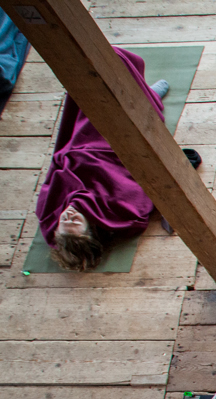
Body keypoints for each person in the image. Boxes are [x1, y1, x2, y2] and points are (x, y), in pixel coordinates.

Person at [34, 47, 169, 271]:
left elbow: (53, 179)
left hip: (80, 147)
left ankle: (143, 93)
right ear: (90, 228)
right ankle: (149, 96)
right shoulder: (117, 216)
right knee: (116, 99)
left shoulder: (49, 215)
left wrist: (69, 160)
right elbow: (141, 192)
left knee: (91, 91)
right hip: (111, 151)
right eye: (75, 221)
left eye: (63, 222)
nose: (69, 215)